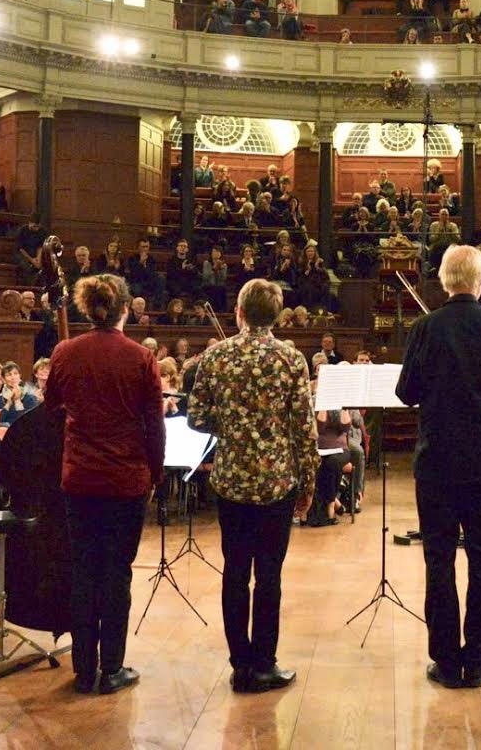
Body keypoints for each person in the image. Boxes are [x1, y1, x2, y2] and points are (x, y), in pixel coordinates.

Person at [397, 245, 481, 689]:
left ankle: (446, 661)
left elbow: (406, 393)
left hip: (437, 463)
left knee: (439, 560)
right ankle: (478, 660)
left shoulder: (425, 328)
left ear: (445, 281)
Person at [190, 279, 316, 694]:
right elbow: (304, 428)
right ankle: (264, 663)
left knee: (235, 572)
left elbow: (196, 418)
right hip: (277, 482)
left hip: (231, 481)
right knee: (269, 575)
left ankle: (239, 663)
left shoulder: (217, 355)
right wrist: (309, 481)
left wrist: (231, 423)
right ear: (277, 315)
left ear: (239, 313)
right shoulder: (291, 358)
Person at [44, 273, 164, 694]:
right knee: (117, 573)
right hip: (126, 480)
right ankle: (112, 669)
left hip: (79, 478)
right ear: (125, 309)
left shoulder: (65, 352)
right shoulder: (141, 357)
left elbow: (52, 405)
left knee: (83, 572)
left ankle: (82, 670)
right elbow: (154, 425)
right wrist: (156, 472)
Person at [0, 361, 40, 425]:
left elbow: (28, 423)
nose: (13, 377)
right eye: (9, 375)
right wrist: (8, 404)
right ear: (3, 379)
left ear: (20, 376)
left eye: (15, 374)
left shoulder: (31, 398)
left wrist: (17, 401)